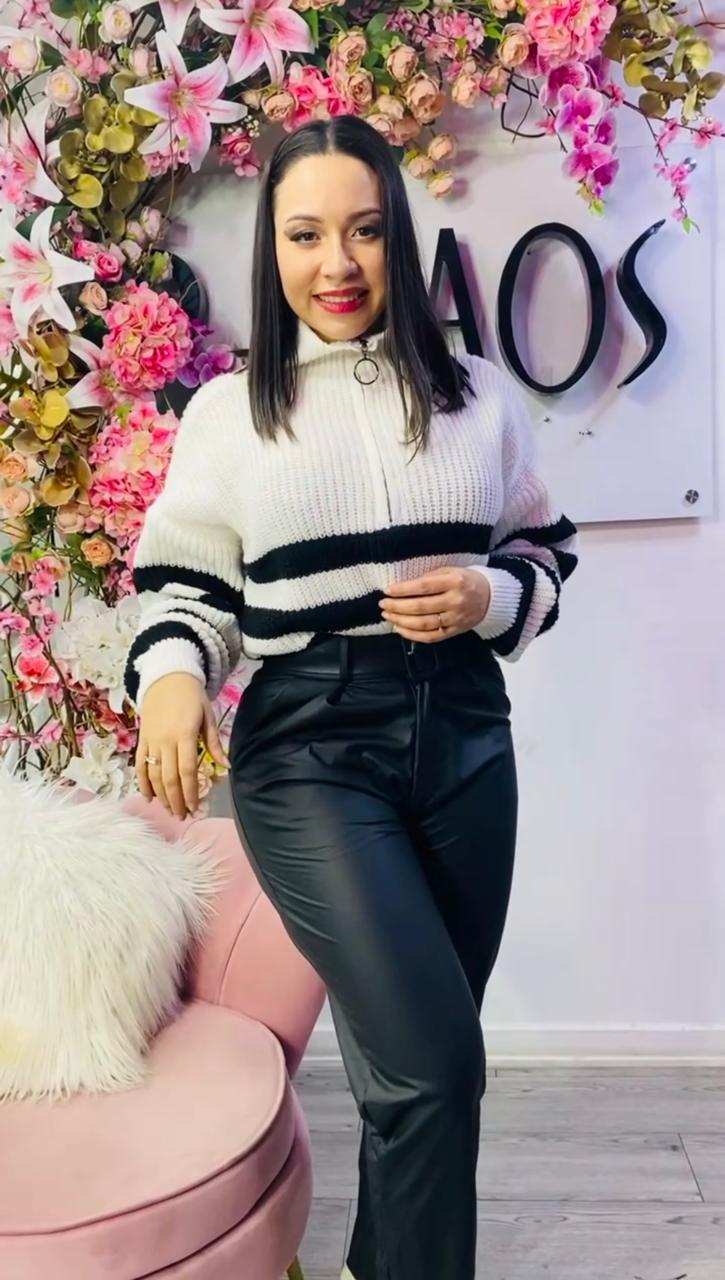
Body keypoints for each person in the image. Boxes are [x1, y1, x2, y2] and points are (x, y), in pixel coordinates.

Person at [123, 115, 578, 1280]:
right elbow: (184, 586)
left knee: (407, 1075)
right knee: (436, 1067)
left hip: (465, 738)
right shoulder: (231, 414)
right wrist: (172, 680)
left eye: (365, 231)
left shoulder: (476, 396)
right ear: (271, 249)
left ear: (397, 239)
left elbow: (543, 553)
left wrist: (486, 593)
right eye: (305, 234)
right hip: (310, 746)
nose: (336, 262)